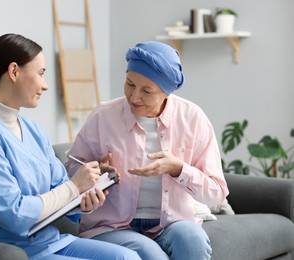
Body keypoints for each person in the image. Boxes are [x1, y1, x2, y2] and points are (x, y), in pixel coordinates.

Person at [0, 33, 141, 260]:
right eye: (41, 74)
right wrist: (74, 187)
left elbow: (60, 188)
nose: (45, 85)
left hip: (49, 241)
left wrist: (87, 196)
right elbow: (15, 214)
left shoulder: (34, 130)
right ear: (14, 71)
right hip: (8, 249)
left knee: (128, 258)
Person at [65, 41, 229, 260]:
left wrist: (179, 169)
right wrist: (94, 171)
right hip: (112, 227)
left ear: (166, 92)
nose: (134, 97)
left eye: (147, 91)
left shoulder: (193, 119)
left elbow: (216, 192)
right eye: (130, 84)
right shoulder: (103, 116)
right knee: (150, 254)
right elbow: (70, 169)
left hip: (172, 223)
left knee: (192, 240)